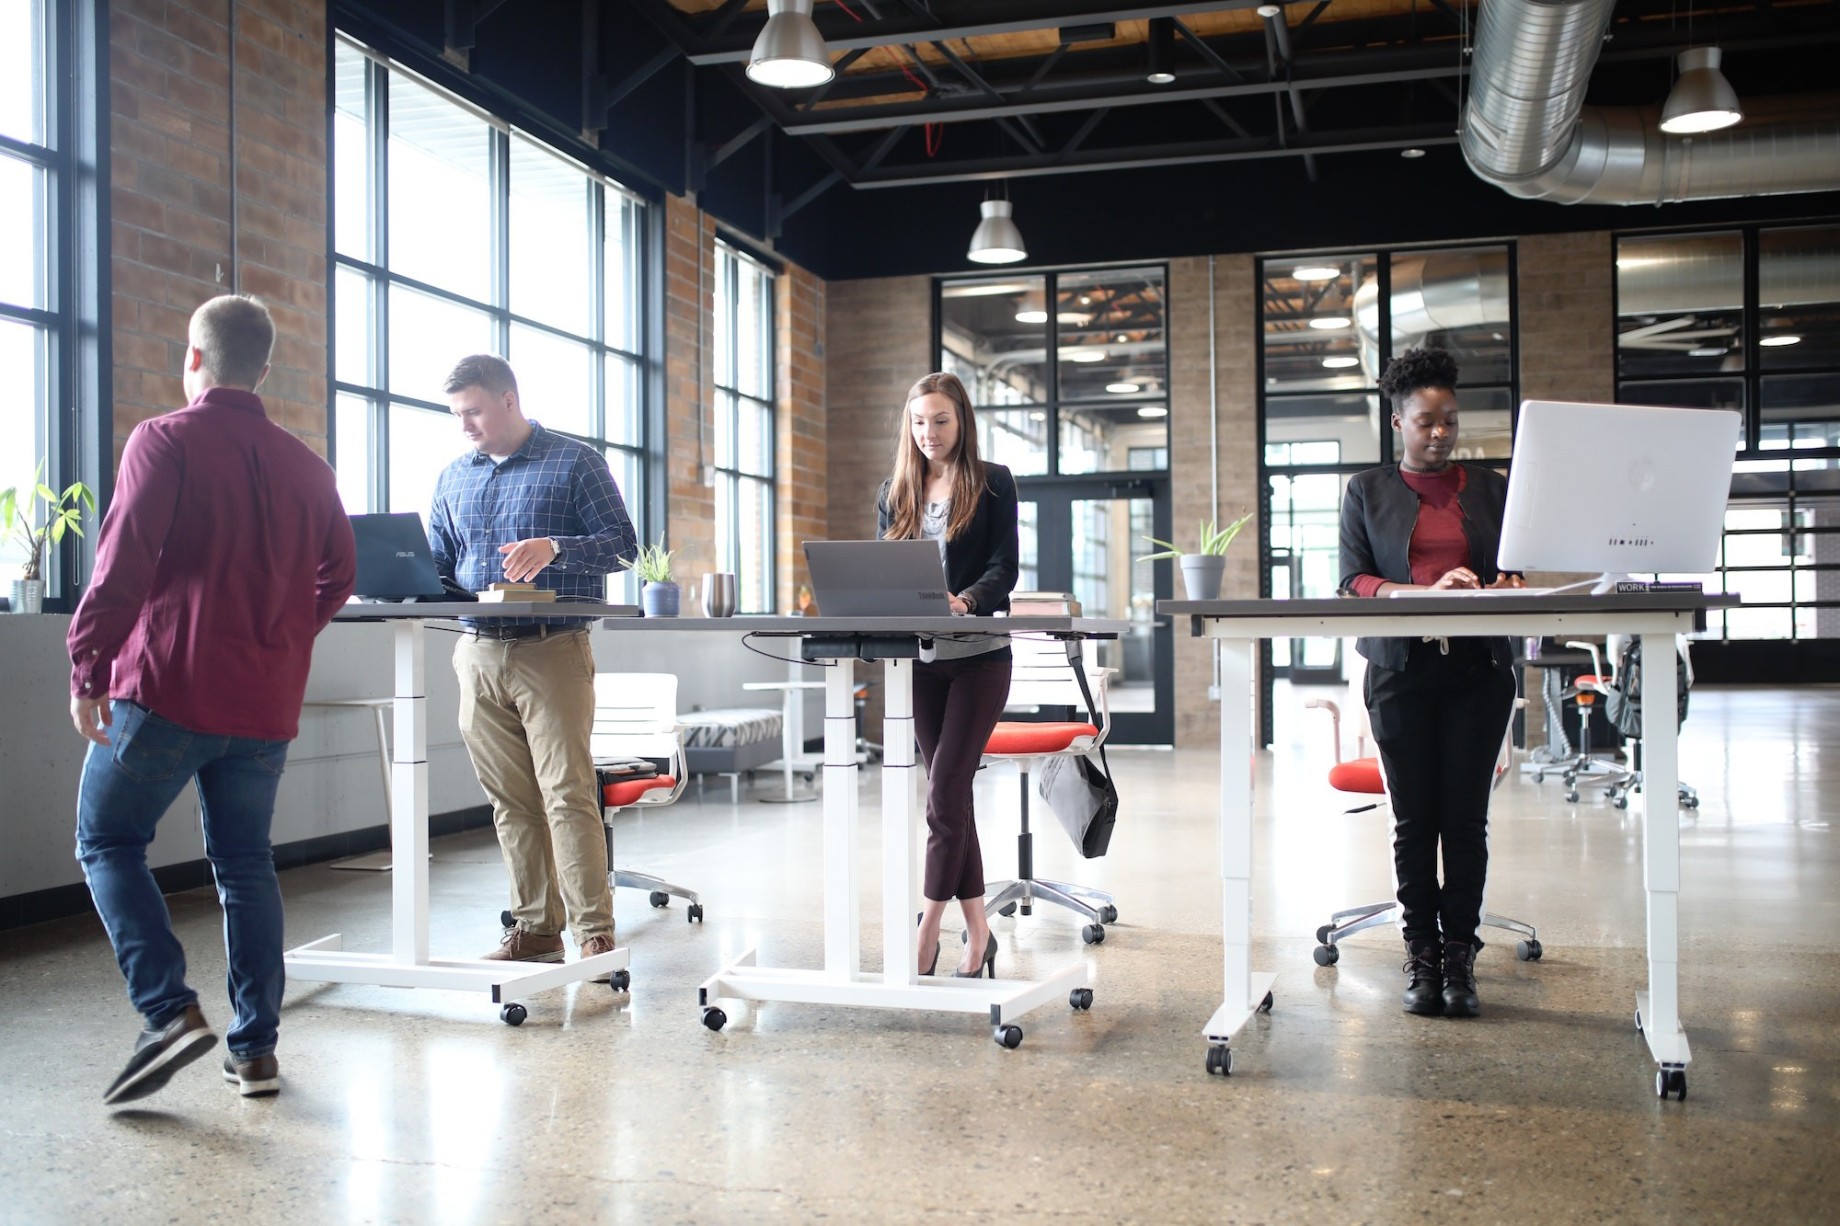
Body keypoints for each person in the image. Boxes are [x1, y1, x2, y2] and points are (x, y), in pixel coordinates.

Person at [69, 294, 357, 1104]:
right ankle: (255, 1051)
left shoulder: (164, 438)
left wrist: (87, 666)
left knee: (106, 840)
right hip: (263, 705)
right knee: (244, 864)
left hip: (168, 688)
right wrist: (286, 633)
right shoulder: (309, 465)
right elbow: (342, 571)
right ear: (264, 368)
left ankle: (168, 1011)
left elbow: (122, 564)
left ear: (192, 357)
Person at [428, 354, 636, 968]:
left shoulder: (575, 462)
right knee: (510, 802)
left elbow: (622, 549)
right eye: (456, 414)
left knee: (566, 794)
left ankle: (594, 933)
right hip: (477, 654)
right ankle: (536, 930)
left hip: (553, 649)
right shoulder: (452, 477)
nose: (464, 424)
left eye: (473, 410)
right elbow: (441, 563)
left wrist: (556, 547)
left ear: (509, 399)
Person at [1338, 346, 1523, 1019]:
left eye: (1449, 421)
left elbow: (1516, 566)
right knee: (1415, 821)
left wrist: (1505, 582)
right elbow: (1353, 579)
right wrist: (1419, 589)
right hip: (1400, 669)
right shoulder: (1367, 490)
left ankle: (1459, 956)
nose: (1440, 433)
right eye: (1425, 422)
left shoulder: (1495, 487)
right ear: (1397, 424)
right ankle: (1420, 951)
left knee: (1465, 821)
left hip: (1478, 670)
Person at [876, 372, 1019, 978]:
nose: (929, 433)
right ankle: (981, 931)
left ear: (961, 421)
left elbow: (1003, 568)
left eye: (940, 420)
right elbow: (882, 567)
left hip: (980, 657)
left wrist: (964, 600)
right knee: (951, 795)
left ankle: (928, 925)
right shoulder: (895, 491)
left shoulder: (992, 483)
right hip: (922, 661)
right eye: (918, 421)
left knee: (942, 793)